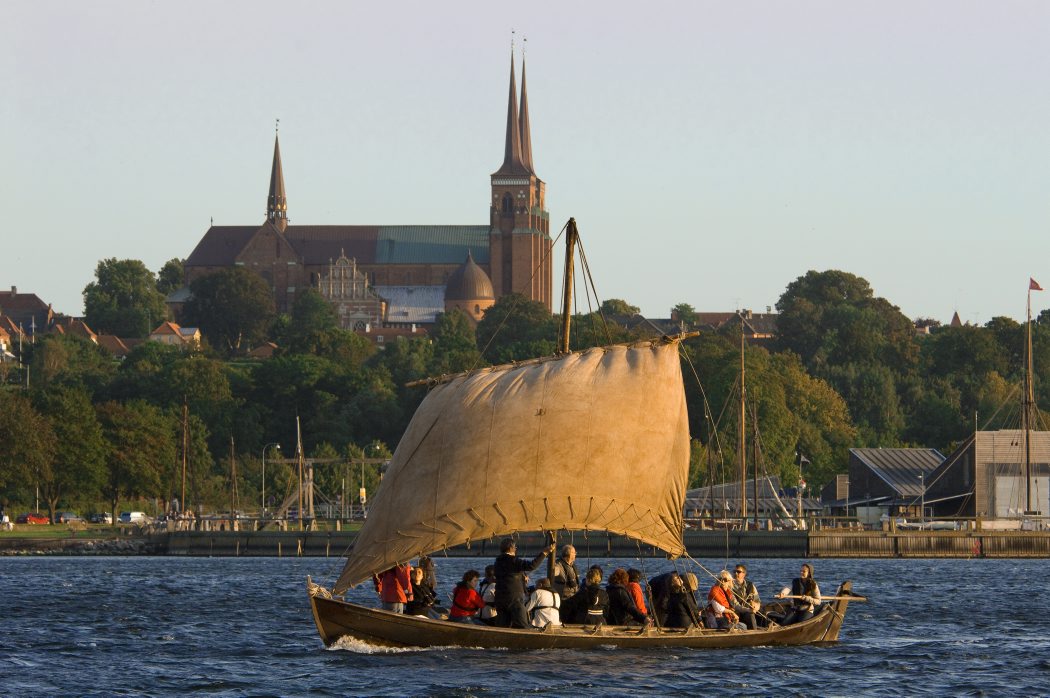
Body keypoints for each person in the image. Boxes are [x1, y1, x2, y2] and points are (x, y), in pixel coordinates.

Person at [494, 538, 555, 628]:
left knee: (503, 626)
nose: (515, 549)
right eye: (515, 547)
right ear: (511, 548)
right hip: (514, 600)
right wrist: (544, 553)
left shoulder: (497, 562)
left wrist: (521, 578)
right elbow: (532, 565)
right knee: (522, 626)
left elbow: (508, 576)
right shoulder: (513, 560)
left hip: (500, 599)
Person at [730, 563, 761, 630]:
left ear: (744, 574)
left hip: (748, 612)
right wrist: (749, 610)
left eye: (738, 572)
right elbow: (735, 605)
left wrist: (755, 607)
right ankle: (754, 633)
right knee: (750, 614)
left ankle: (755, 631)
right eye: (734, 571)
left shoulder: (751, 586)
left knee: (755, 615)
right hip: (736, 614)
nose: (735, 573)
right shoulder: (730, 587)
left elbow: (757, 601)